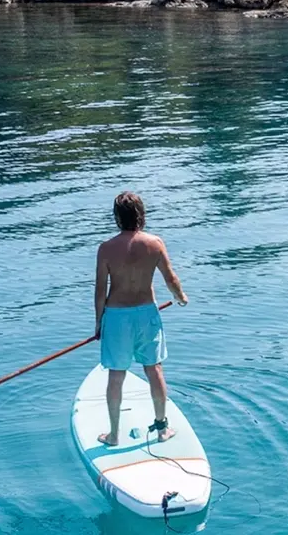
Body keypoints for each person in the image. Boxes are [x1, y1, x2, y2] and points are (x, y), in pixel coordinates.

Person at [94, 191, 188, 446]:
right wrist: (180, 297)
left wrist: (98, 322)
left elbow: (100, 290)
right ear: (141, 215)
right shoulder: (155, 243)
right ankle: (162, 430)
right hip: (146, 312)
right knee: (154, 369)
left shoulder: (106, 249)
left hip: (116, 316)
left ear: (117, 217)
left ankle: (114, 435)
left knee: (116, 374)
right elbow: (171, 279)